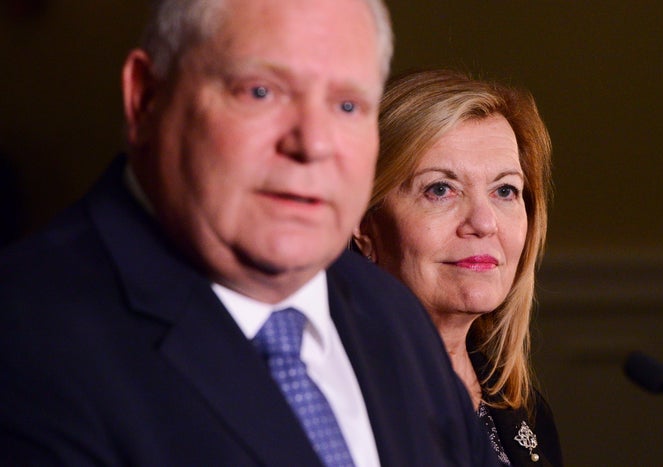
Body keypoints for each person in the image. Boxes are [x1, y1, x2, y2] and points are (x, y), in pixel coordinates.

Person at [0, 3, 498, 465]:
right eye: (261, 92)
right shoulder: (28, 339)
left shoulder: (391, 315)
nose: (313, 143)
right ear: (146, 98)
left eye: (347, 105)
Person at [353, 69, 563, 466]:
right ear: (364, 224)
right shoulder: (330, 396)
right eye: (440, 189)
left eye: (505, 191)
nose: (484, 223)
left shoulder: (522, 408)